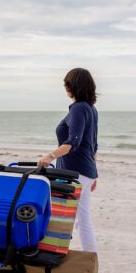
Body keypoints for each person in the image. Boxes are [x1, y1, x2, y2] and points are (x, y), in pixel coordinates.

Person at [38, 67, 98, 253]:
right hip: (81, 172)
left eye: (67, 84)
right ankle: (57, 251)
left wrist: (50, 156)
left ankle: (89, 260)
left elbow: (74, 142)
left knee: (81, 219)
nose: (65, 88)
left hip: (76, 173)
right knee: (64, 215)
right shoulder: (90, 109)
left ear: (73, 86)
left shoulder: (79, 109)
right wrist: (94, 175)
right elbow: (93, 146)